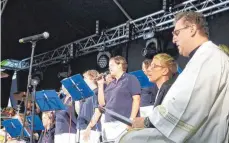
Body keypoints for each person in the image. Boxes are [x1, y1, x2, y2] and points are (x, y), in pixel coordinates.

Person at [117, 11, 229, 143]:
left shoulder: (207, 57)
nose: (174, 39)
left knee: (129, 139)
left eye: (177, 33)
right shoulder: (205, 56)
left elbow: (186, 104)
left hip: (204, 137)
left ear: (192, 29)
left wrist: (147, 122)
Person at [97, 55, 141, 142]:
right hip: (109, 122)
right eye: (109, 66)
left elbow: (136, 99)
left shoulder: (130, 79)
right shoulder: (111, 84)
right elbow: (102, 103)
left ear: (120, 65)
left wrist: (131, 120)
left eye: (112, 65)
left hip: (123, 121)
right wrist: (100, 85)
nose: (109, 68)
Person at [76, 70, 101, 143]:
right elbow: (79, 113)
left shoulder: (97, 92)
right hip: (81, 127)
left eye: (85, 78)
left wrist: (89, 127)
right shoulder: (86, 95)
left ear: (92, 78)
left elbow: (97, 112)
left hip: (91, 129)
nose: (83, 81)